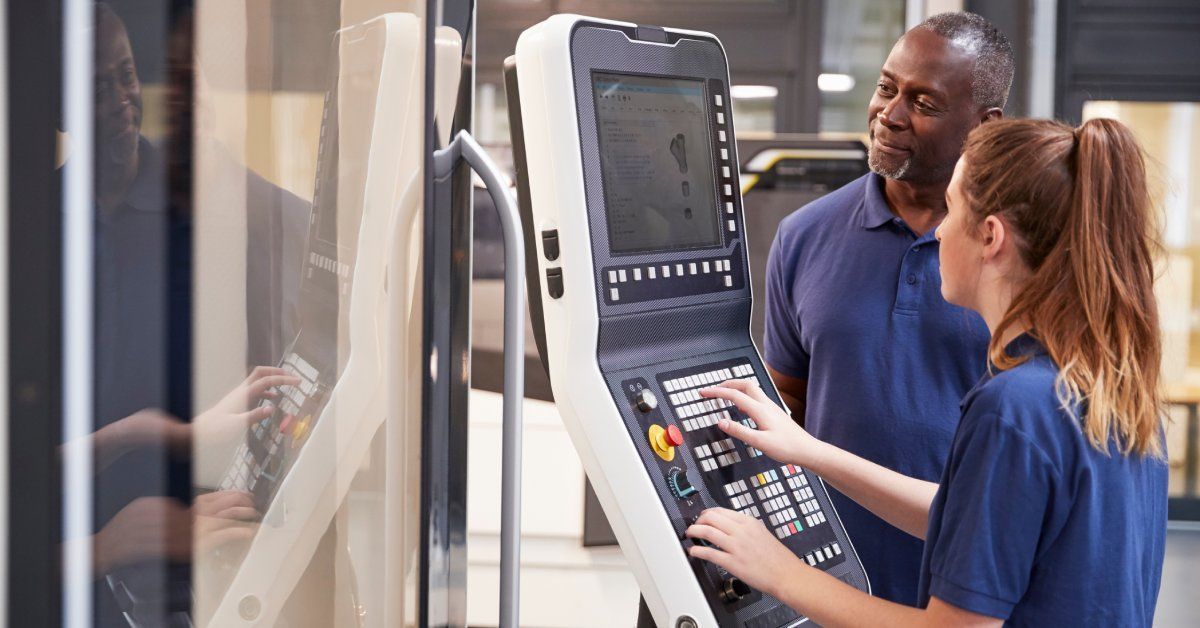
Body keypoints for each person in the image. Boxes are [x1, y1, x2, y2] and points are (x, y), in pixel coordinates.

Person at [687, 117, 1168, 626]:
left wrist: (781, 572)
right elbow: (966, 515)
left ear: (990, 237)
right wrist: (810, 452)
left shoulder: (1012, 409)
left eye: (953, 210)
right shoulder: (1102, 384)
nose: (939, 230)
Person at [760, 11, 1012, 604]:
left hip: (966, 587)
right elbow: (784, 407)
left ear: (984, 125)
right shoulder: (803, 236)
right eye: (885, 87)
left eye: (923, 103)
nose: (890, 114)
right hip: (825, 583)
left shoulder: (1019, 256)